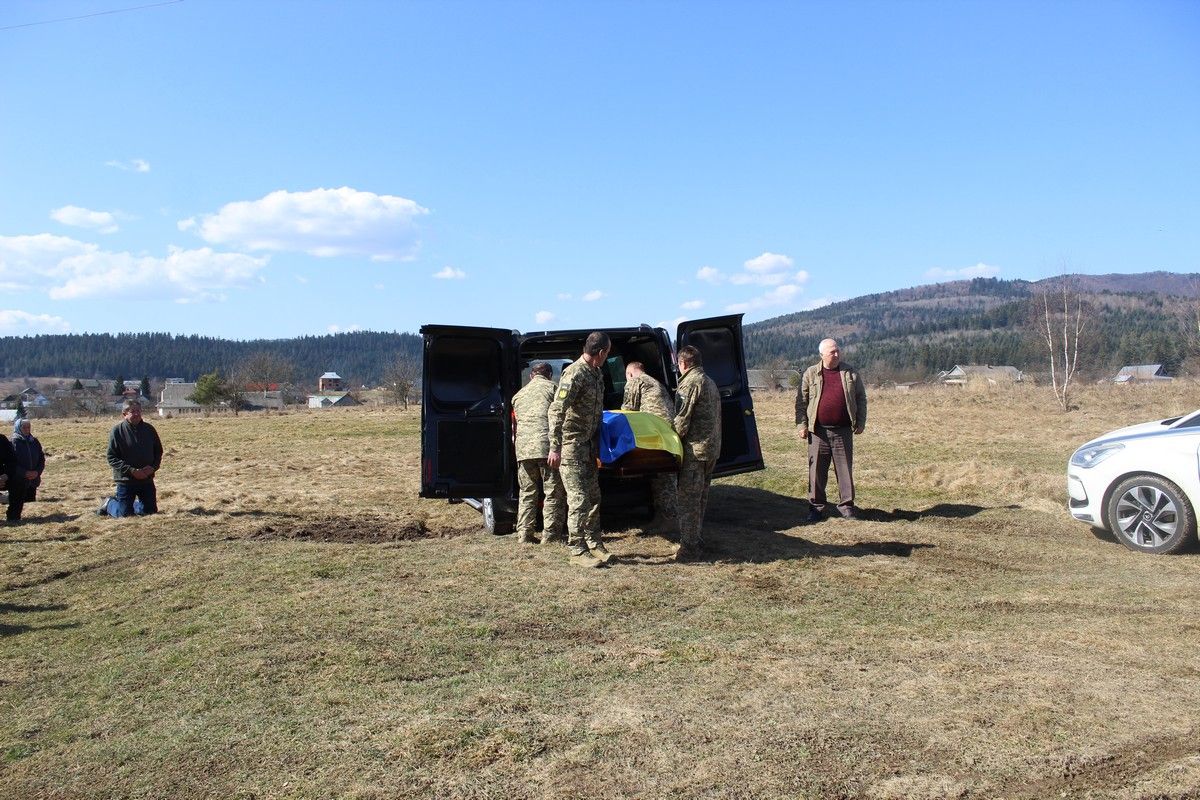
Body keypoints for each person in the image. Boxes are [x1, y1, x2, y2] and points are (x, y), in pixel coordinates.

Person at [547, 331, 611, 568]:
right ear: (601, 352)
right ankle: (577, 550)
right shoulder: (575, 373)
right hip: (571, 446)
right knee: (579, 498)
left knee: (594, 496)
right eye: (608, 352)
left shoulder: (596, 373)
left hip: (588, 446)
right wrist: (555, 447)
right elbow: (556, 410)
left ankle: (594, 543)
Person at [795, 338, 867, 521]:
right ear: (822, 355)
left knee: (844, 471)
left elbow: (861, 399)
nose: (836, 354)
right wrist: (801, 425)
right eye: (832, 352)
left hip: (843, 431)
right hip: (818, 432)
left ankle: (847, 507)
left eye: (837, 351)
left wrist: (860, 422)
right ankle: (816, 509)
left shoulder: (850, 373)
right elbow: (801, 403)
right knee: (816, 472)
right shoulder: (810, 374)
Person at [671, 345, 722, 561]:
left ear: (683, 364)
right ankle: (696, 539)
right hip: (711, 450)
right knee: (700, 498)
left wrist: (668, 439)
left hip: (695, 450)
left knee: (688, 501)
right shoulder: (709, 381)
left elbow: (682, 419)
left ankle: (689, 548)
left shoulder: (690, 383)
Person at [511, 362, 566, 545]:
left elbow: (515, 425)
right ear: (549, 375)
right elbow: (561, 416)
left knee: (527, 492)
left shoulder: (518, 395)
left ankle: (524, 535)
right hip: (546, 448)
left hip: (524, 450)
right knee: (552, 492)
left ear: (531, 376)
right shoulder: (553, 389)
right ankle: (550, 536)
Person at [621, 361, 678, 535]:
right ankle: (661, 518)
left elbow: (627, 410)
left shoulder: (636, 382)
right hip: (667, 436)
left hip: (655, 436)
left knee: (665, 480)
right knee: (662, 477)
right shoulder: (655, 382)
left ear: (630, 373)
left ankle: (670, 520)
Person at [100, 400, 163, 517]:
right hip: (126, 481)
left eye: (138, 411)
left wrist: (153, 468)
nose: (136, 414)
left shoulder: (149, 430)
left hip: (146, 479)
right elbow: (111, 457)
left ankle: (133, 504)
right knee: (125, 515)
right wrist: (132, 471)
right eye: (132, 411)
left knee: (150, 513)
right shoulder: (117, 431)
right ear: (124, 414)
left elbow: (158, 452)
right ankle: (109, 504)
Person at [8, 418, 45, 521]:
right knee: (16, 499)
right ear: (18, 428)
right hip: (18, 478)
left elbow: (41, 458)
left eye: (28, 427)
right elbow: (11, 462)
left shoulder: (34, 441)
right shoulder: (13, 441)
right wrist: (24, 473)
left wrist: (37, 472)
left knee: (29, 499)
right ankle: (13, 518)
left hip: (33, 477)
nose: (27, 429)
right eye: (24, 427)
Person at [0, 430, 25, 523]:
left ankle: (13, 516)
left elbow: (12, 461)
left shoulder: (2, 440)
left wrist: (6, 475)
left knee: (20, 480)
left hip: (2, 477)